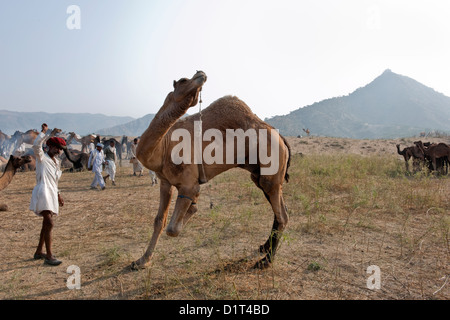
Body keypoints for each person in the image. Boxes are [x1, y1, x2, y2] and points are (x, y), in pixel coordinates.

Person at [30, 123, 66, 266]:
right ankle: (49, 255)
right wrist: (43, 133)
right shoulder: (41, 157)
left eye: (59, 149)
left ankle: (39, 251)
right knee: (49, 223)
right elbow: (36, 146)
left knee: (46, 223)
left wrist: (58, 196)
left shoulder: (56, 162)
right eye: (56, 147)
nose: (58, 150)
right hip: (42, 191)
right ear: (49, 147)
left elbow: (55, 182)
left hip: (51, 193)